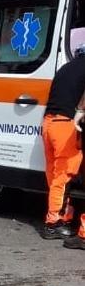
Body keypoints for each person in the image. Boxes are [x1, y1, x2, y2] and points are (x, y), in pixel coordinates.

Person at [39, 47, 85, 241]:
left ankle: (64, 215)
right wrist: (80, 113)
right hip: (65, 125)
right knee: (65, 176)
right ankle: (53, 223)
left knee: (53, 174)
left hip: (48, 123)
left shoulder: (66, 67)